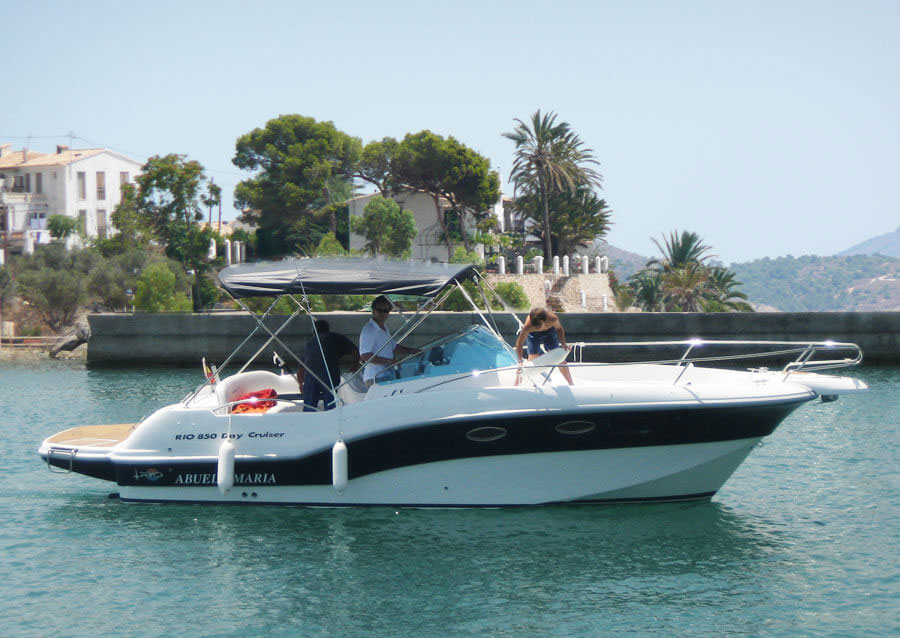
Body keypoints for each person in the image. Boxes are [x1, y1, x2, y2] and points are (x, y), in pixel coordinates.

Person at [297, 319, 359, 412]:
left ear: (314, 331)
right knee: (331, 403)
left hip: (310, 376)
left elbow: (300, 370)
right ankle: (332, 420)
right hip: (329, 374)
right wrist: (354, 367)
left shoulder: (309, 343)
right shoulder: (336, 337)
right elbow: (354, 351)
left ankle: (307, 421)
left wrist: (301, 385)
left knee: (309, 405)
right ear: (328, 329)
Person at [359, 295, 419, 386]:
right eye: (379, 310)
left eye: (385, 311)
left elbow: (393, 347)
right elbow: (365, 356)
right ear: (373, 311)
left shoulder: (384, 327)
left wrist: (413, 351)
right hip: (375, 378)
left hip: (385, 375)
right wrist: (390, 361)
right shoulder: (369, 329)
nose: (382, 313)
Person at [514, 306, 574, 385]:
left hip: (549, 333)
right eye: (535, 326)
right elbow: (519, 343)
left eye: (539, 326)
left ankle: (571, 383)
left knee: (560, 359)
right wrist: (520, 361)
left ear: (545, 320)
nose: (537, 328)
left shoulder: (553, 318)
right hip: (533, 335)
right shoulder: (528, 326)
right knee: (532, 360)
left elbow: (559, 329)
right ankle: (515, 385)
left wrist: (563, 343)